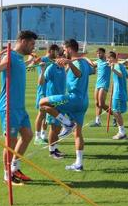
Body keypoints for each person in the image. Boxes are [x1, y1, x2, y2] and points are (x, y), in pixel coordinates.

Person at [0, 30, 38, 185]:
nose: (33, 47)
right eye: (32, 43)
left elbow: (17, 67)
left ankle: (14, 168)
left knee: (28, 135)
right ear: (23, 41)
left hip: (19, 107)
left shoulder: (18, 57)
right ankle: (7, 175)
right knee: (10, 142)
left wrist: (31, 62)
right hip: (8, 107)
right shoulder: (9, 55)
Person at [39, 39, 93, 171]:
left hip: (73, 99)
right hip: (83, 102)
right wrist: (67, 64)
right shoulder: (83, 62)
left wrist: (70, 63)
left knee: (42, 103)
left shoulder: (78, 62)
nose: (62, 51)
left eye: (64, 48)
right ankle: (79, 164)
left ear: (69, 49)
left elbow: (78, 74)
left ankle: (67, 123)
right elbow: (92, 70)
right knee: (78, 134)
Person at [39, 48, 67, 159]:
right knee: (53, 128)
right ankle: (52, 152)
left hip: (61, 101)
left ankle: (55, 148)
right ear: (59, 57)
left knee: (58, 127)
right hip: (52, 101)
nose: (65, 59)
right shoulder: (51, 68)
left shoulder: (63, 68)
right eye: (64, 57)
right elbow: (41, 82)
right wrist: (42, 70)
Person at [33, 45, 59, 145]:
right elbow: (35, 61)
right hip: (42, 90)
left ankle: (43, 135)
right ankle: (37, 137)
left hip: (49, 91)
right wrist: (36, 60)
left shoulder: (54, 61)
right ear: (51, 51)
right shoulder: (43, 59)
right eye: (56, 51)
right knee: (41, 114)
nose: (57, 54)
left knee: (47, 115)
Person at [107, 51, 128, 140]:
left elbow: (120, 75)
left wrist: (113, 70)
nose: (107, 60)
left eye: (108, 59)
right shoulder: (122, 66)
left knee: (116, 113)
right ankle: (121, 132)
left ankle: (122, 133)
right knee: (116, 112)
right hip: (121, 92)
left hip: (118, 93)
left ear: (112, 58)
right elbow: (127, 76)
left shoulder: (117, 66)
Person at [89, 48, 111, 127]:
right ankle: (97, 121)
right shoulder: (98, 62)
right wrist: (84, 59)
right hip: (97, 84)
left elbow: (117, 63)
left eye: (100, 53)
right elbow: (91, 64)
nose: (98, 55)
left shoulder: (108, 62)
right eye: (97, 53)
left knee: (101, 103)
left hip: (104, 84)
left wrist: (125, 62)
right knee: (97, 103)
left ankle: (115, 115)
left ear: (104, 54)